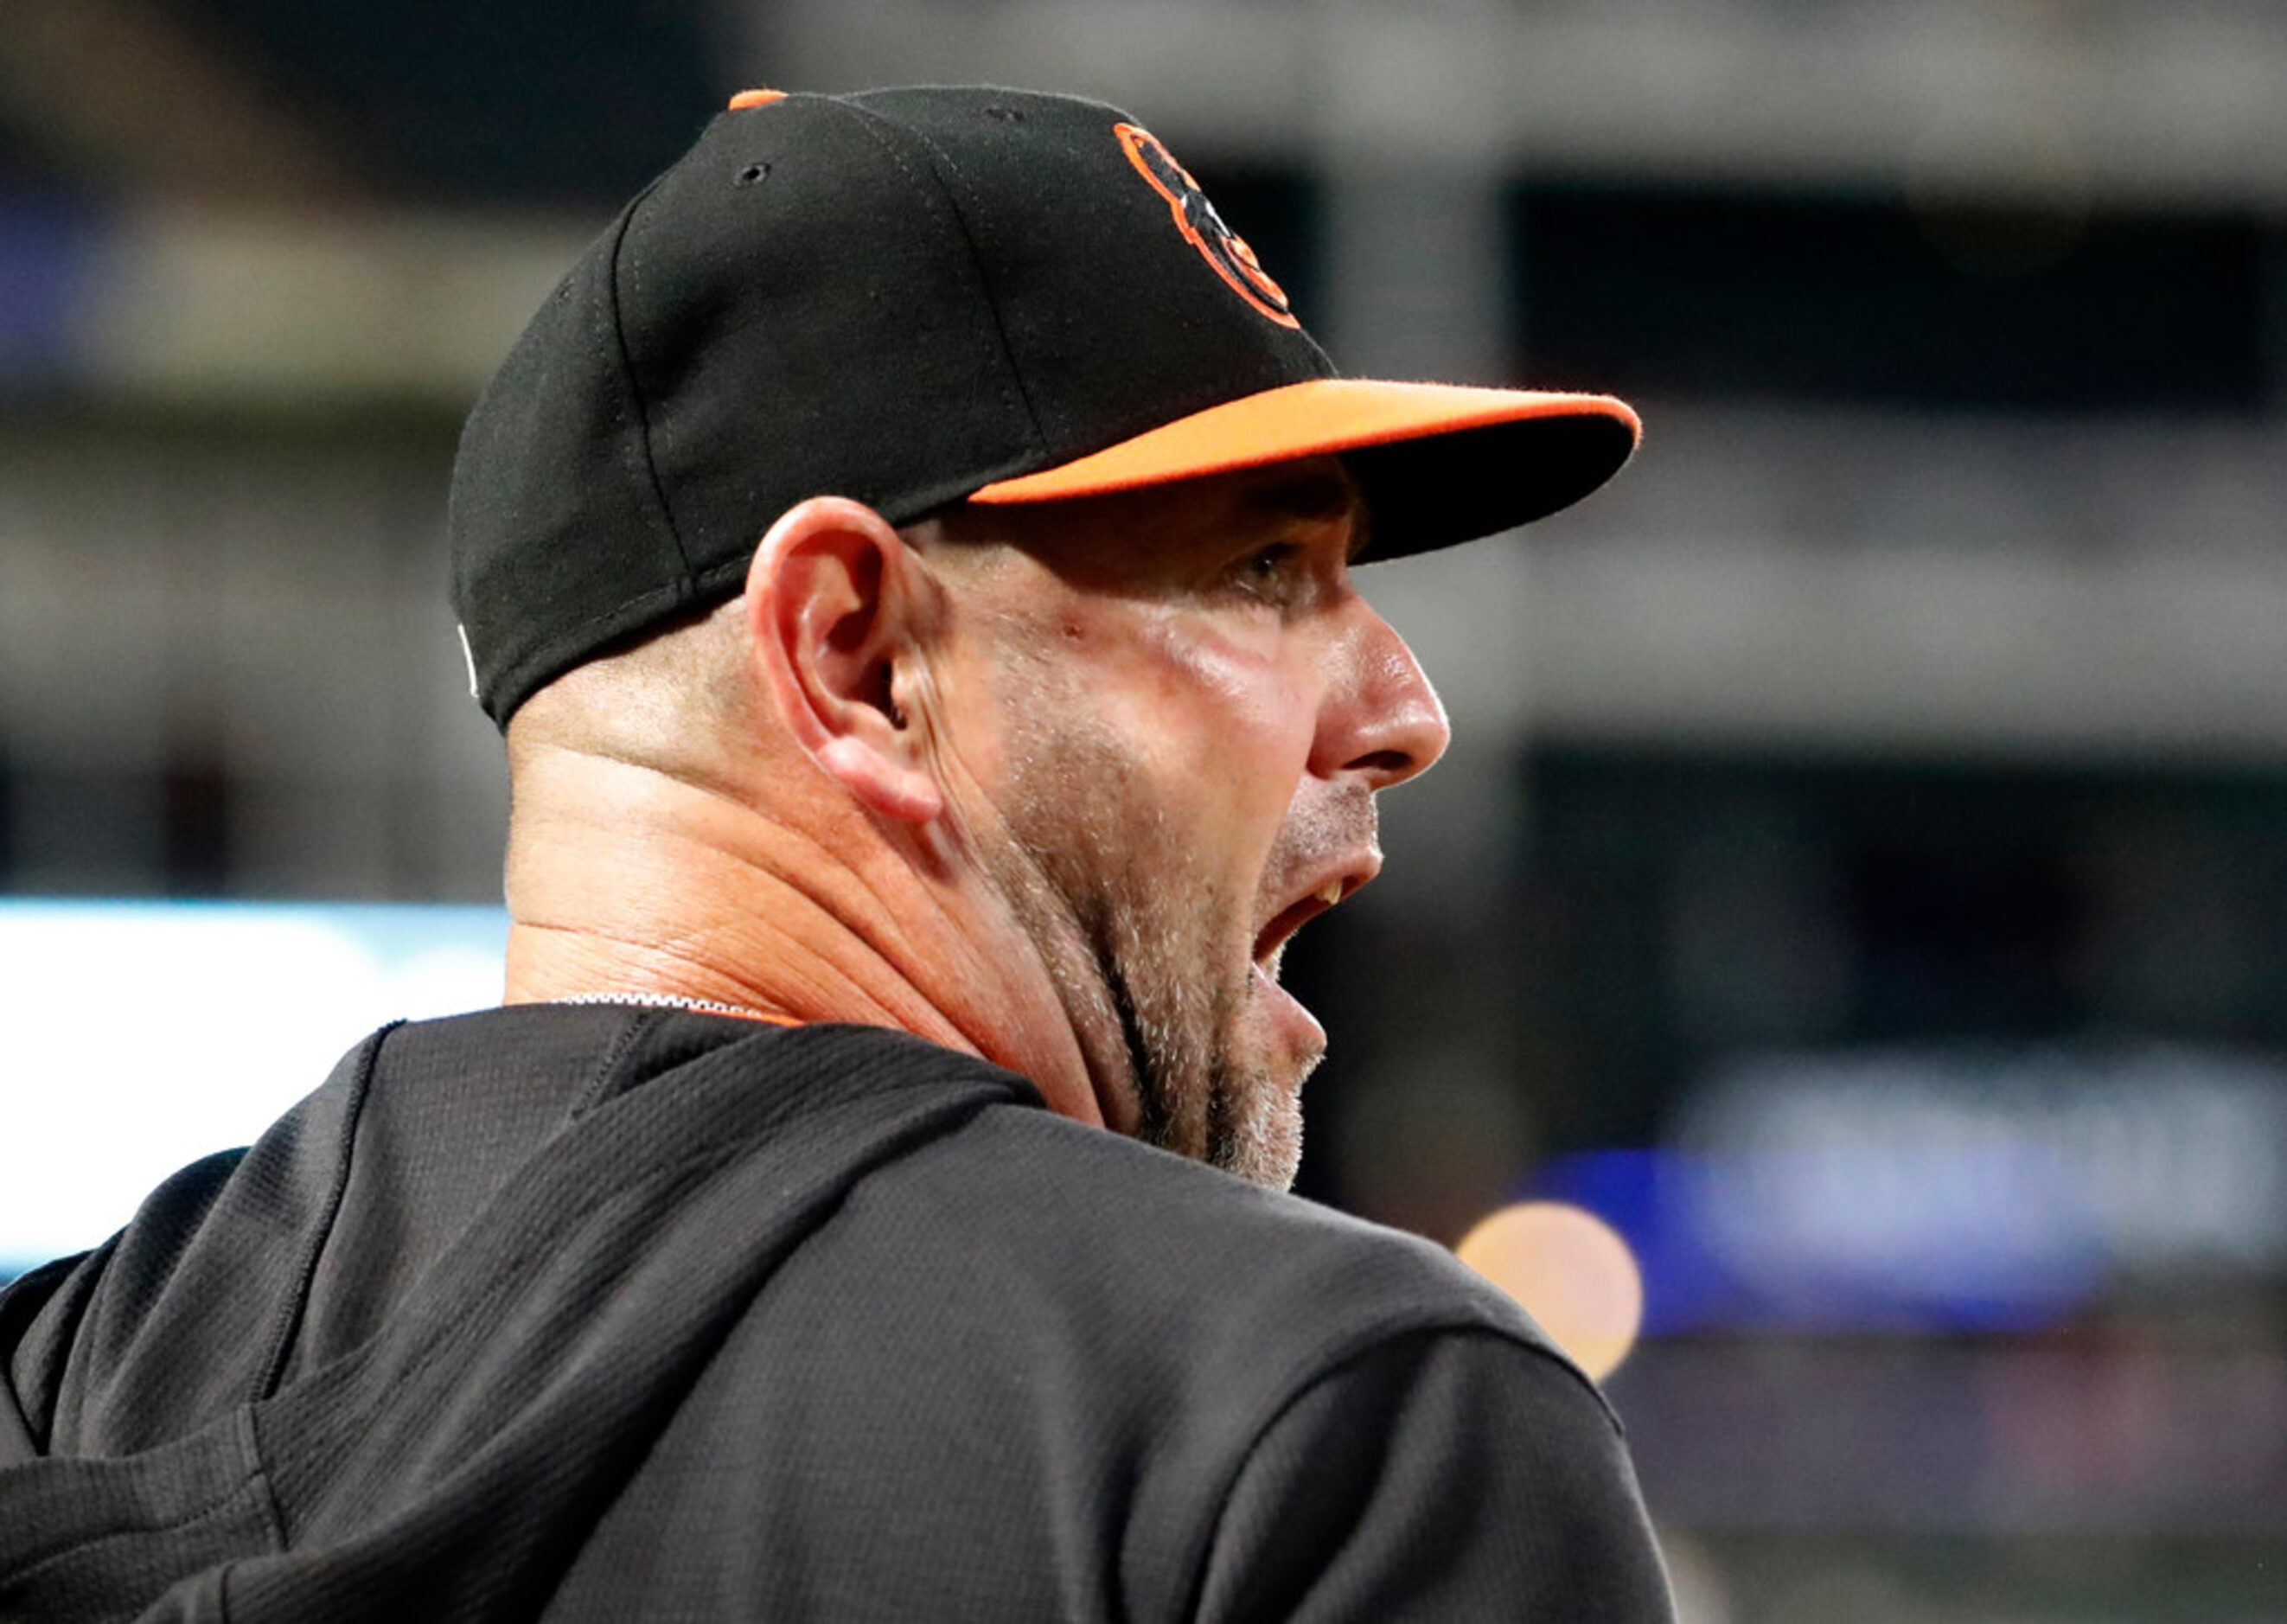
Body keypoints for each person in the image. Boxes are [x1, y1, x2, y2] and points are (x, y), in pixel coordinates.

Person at [0, 86, 1673, 1621]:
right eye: (1260, 569)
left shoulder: (56, 1381)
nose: (1402, 706)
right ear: (857, 653)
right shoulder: (1329, 1415)